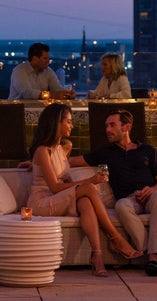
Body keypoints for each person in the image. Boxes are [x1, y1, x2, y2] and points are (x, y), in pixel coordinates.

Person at [26, 103, 140, 277]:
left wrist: (80, 188)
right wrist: (90, 181)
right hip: (42, 201)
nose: (72, 125)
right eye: (69, 122)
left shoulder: (64, 148)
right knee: (86, 188)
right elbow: (55, 187)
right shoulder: (42, 151)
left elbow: (65, 178)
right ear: (57, 123)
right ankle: (116, 238)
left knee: (85, 200)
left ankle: (97, 255)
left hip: (58, 198)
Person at [76, 109, 157, 277]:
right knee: (121, 205)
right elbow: (71, 161)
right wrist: (38, 162)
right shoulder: (105, 152)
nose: (107, 130)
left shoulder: (148, 150)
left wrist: (153, 189)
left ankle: (152, 256)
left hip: (151, 196)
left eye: (112, 125)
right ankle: (152, 255)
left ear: (126, 127)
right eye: (106, 126)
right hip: (128, 200)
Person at [8, 42, 75, 100]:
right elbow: (27, 93)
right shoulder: (20, 71)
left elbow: (57, 89)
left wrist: (67, 94)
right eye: (45, 58)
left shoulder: (48, 71)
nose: (48, 61)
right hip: (17, 110)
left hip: (40, 110)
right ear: (35, 59)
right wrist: (52, 95)